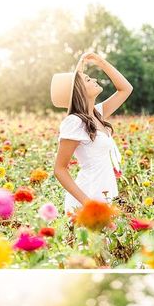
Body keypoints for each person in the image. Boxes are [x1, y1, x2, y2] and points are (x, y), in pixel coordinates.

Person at [52, 52, 133, 215]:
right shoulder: (74, 122)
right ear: (78, 91)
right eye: (88, 80)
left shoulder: (97, 113)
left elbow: (126, 89)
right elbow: (59, 169)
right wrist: (88, 204)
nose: (95, 80)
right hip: (88, 195)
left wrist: (101, 62)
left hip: (106, 191)